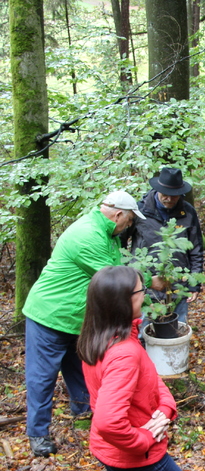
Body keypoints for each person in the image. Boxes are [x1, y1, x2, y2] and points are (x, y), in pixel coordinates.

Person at [22, 191, 156, 457]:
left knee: (81, 367)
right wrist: (152, 283)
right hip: (50, 315)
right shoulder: (88, 236)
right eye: (128, 221)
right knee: (42, 377)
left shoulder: (106, 235)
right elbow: (115, 279)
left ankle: (83, 411)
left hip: (78, 319)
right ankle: (37, 433)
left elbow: (121, 265)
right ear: (118, 214)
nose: (128, 226)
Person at [78, 266, 205, 471]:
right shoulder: (123, 353)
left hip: (111, 451)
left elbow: (151, 379)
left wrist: (165, 407)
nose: (146, 295)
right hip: (137, 455)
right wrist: (143, 440)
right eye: (142, 290)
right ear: (127, 300)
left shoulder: (102, 337)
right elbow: (108, 421)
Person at [124, 167, 204, 325]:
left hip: (177, 283)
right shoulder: (140, 211)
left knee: (176, 328)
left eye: (173, 195)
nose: (169, 199)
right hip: (145, 284)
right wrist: (128, 277)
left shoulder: (188, 212)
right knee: (143, 331)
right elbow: (119, 242)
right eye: (164, 194)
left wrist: (194, 283)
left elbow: (196, 248)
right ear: (157, 190)